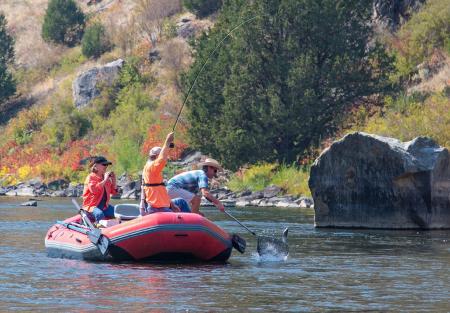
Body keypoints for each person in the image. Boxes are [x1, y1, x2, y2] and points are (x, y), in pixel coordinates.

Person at [140, 132, 189, 215]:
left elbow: (161, 190)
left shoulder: (150, 168)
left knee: (181, 202)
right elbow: (162, 159)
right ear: (156, 156)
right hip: (157, 208)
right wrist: (167, 141)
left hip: (161, 206)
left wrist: (171, 204)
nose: (166, 157)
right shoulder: (152, 167)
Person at [82, 156, 118, 223]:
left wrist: (114, 180)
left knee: (118, 212)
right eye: (104, 164)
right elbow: (94, 190)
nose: (106, 166)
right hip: (91, 207)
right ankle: (100, 229)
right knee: (99, 214)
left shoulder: (106, 178)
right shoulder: (90, 177)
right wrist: (105, 180)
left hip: (104, 207)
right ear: (95, 166)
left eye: (107, 164)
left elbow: (114, 192)